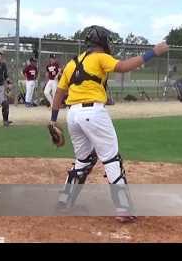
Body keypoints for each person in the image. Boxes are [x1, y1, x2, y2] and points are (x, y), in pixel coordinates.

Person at [49, 25, 169, 223]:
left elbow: (60, 93)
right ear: (101, 42)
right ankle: (123, 208)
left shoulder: (73, 62)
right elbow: (123, 67)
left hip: (73, 115)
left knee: (84, 159)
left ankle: (65, 202)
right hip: (93, 113)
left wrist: (53, 121)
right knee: (111, 158)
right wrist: (153, 52)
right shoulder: (99, 56)